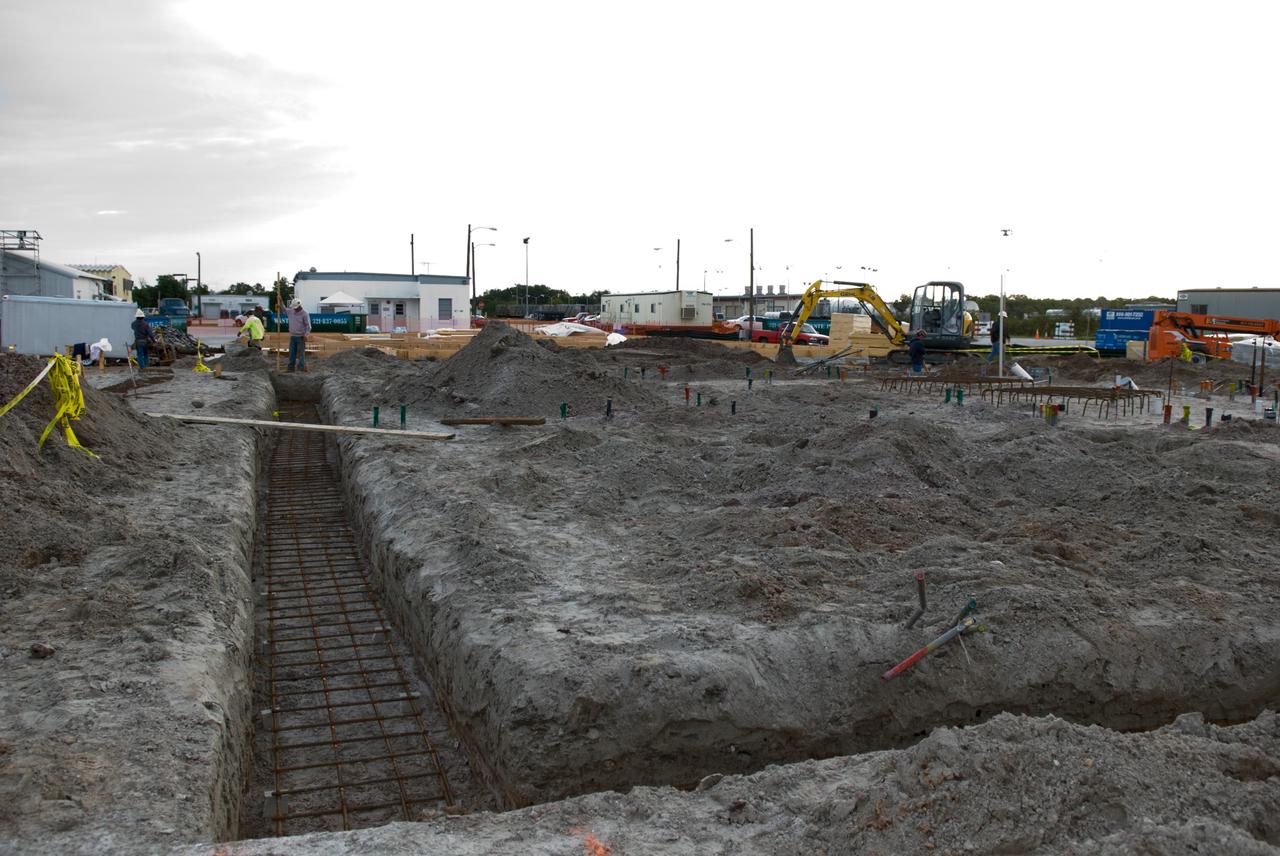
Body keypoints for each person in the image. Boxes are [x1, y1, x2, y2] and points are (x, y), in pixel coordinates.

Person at [285, 298, 311, 372]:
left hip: (301, 337)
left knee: (301, 354)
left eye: (296, 308)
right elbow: (284, 309)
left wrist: (306, 335)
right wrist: (280, 302)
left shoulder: (305, 314)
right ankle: (290, 368)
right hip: (292, 336)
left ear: (300, 306)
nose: (295, 309)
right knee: (292, 353)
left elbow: (308, 326)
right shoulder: (291, 311)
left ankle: (301, 368)